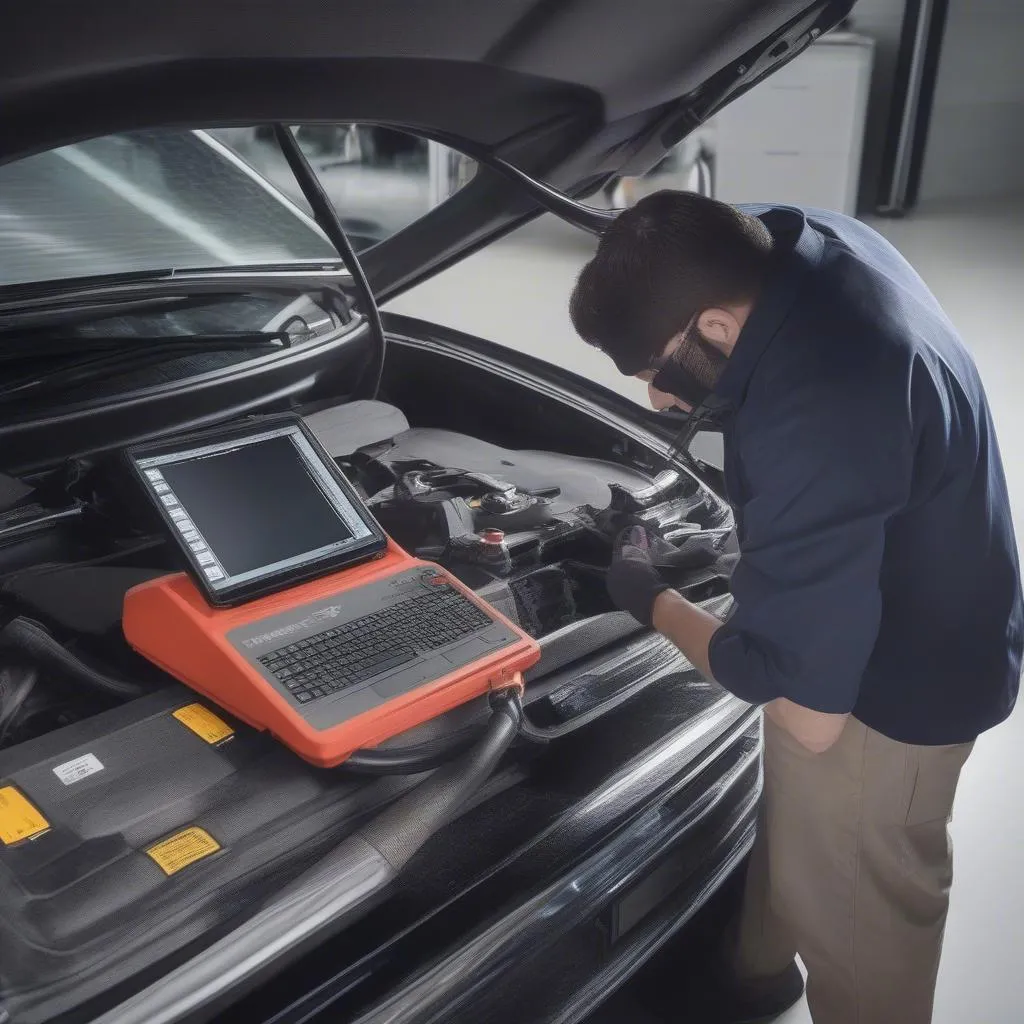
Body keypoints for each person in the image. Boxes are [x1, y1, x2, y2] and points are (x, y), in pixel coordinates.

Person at [569, 190, 1023, 1024]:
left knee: (866, 916)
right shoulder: (794, 242)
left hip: (896, 699)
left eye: (656, 377)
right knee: (800, 832)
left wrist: (652, 598)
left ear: (713, 327)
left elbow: (808, 712)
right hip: (920, 585)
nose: (658, 404)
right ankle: (756, 979)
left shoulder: (822, 406)